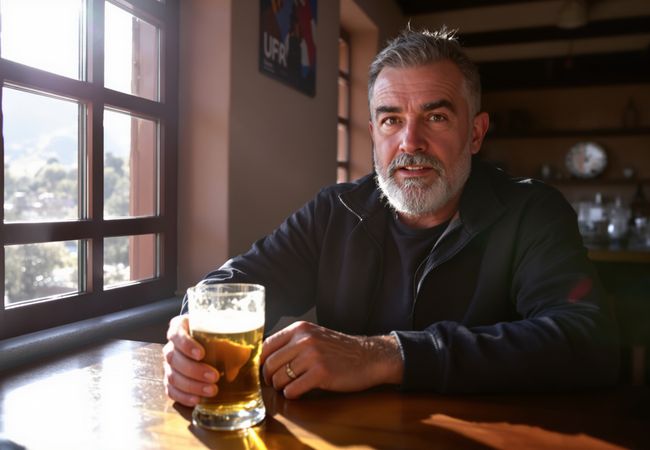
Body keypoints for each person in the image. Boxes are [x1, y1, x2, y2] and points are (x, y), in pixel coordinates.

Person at [163, 27, 619, 406]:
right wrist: (188, 334)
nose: (410, 142)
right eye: (391, 120)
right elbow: (232, 284)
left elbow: (589, 341)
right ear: (373, 133)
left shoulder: (532, 212)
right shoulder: (334, 211)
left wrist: (387, 355)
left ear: (476, 133)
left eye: (436, 117)